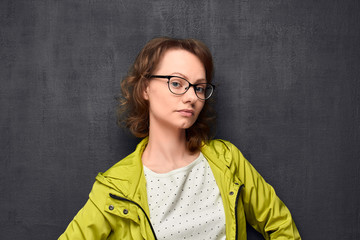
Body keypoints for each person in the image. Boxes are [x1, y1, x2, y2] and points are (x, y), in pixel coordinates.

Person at [59, 37, 301, 240]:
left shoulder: (227, 159)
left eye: (199, 87)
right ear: (145, 88)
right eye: (176, 83)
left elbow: (280, 225)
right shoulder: (115, 187)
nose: (191, 97)